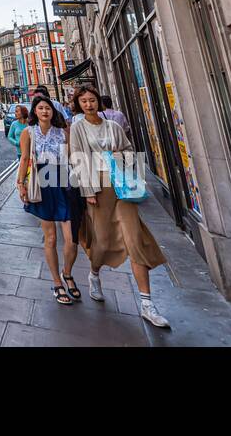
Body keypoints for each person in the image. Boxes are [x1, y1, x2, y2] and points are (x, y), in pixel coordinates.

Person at [69, 85, 170, 328]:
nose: (89, 104)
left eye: (92, 100)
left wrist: (119, 155)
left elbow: (128, 151)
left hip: (123, 188)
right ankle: (94, 274)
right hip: (99, 189)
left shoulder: (113, 127)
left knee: (135, 239)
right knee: (102, 241)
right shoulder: (77, 128)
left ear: (98, 102)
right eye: (84, 101)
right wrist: (88, 190)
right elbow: (77, 158)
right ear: (79, 105)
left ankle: (146, 303)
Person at [18, 95, 81, 305]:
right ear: (35, 112)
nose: (45, 111)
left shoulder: (64, 131)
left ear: (53, 112)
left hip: (63, 184)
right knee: (51, 238)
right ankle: (57, 282)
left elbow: (73, 157)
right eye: (41, 108)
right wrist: (21, 184)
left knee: (71, 239)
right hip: (42, 184)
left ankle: (67, 273)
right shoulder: (29, 133)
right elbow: (25, 159)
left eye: (48, 108)